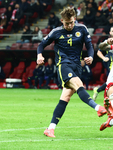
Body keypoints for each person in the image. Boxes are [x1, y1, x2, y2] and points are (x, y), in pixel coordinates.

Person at [37, 7, 107, 138]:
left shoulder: (82, 29)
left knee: (66, 98)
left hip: (77, 66)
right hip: (63, 65)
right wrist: (39, 56)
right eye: (66, 23)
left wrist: (91, 57)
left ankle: (50, 128)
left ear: (75, 19)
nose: (69, 26)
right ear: (62, 21)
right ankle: (97, 108)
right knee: (79, 84)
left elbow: (90, 46)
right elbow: (41, 45)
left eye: (71, 22)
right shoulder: (56, 32)